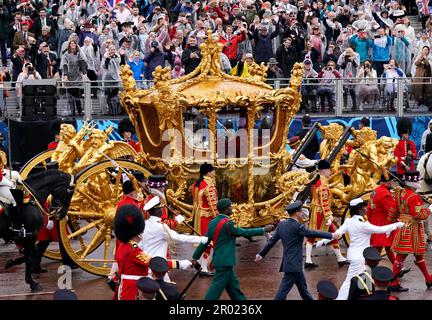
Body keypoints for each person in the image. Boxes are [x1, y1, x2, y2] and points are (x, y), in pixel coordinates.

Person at [316, 197, 404, 300]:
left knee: (365, 282)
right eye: (364, 207)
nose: (366, 208)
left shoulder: (349, 221)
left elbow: (337, 234)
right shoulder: (362, 224)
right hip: (361, 257)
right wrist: (397, 225)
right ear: (359, 210)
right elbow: (379, 230)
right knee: (351, 281)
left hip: (356, 255)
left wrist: (323, 241)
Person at [255, 200, 338, 300]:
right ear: (297, 213)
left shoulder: (282, 225)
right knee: (282, 292)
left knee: (303, 290)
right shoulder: (299, 227)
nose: (302, 213)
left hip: (290, 263)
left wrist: (261, 254)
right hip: (294, 264)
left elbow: (271, 241)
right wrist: (331, 235)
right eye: (300, 211)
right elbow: (313, 233)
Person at [193, 198, 273, 300]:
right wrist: (263, 229)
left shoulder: (212, 223)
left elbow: (204, 242)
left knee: (234, 289)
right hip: (225, 262)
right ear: (226, 209)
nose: (232, 209)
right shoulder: (228, 224)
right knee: (214, 292)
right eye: (230, 207)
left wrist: (195, 257)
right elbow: (245, 232)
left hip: (220, 260)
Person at [113, 204, 191, 300]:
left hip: (126, 286)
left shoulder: (123, 246)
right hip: (133, 289)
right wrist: (180, 264)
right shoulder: (133, 250)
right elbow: (155, 264)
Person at [139, 195, 207, 281]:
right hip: (158, 266)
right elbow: (178, 237)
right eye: (161, 209)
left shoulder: (144, 224)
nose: (162, 211)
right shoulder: (161, 227)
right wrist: (201, 239)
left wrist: (176, 221)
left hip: (146, 264)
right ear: (157, 210)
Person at [389, 179, 432, 291]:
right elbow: (419, 214)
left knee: (419, 255)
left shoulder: (400, 193)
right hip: (412, 228)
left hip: (403, 226)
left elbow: (393, 211)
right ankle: (393, 283)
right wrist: (429, 210)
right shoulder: (413, 196)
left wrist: (394, 221)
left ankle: (428, 279)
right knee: (401, 256)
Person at [305, 159, 347, 268]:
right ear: (325, 170)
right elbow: (323, 201)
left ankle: (339, 258)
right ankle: (309, 260)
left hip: (316, 209)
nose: (330, 172)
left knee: (331, 233)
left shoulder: (317, 179)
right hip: (321, 212)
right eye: (329, 170)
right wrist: (328, 215)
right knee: (314, 235)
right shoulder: (323, 182)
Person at [190, 162, 219, 275]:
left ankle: (202, 264)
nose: (214, 172)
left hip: (198, 215)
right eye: (213, 170)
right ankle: (204, 267)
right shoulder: (209, 185)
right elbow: (213, 205)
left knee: (203, 241)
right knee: (208, 241)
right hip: (207, 217)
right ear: (208, 172)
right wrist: (218, 218)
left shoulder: (197, 184)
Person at [366, 174, 398, 266]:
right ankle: (369, 268)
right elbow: (391, 210)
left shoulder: (375, 191)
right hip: (383, 222)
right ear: (388, 182)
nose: (393, 183)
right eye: (392, 181)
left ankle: (398, 267)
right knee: (379, 247)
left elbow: (369, 209)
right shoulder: (385, 194)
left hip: (375, 221)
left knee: (386, 247)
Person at [60, 40, 87, 116]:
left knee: (77, 94)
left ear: (76, 45)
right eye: (71, 43)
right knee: (70, 95)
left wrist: (84, 74)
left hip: (77, 76)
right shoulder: (66, 54)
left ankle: (79, 111)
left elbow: (82, 64)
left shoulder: (79, 54)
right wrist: (65, 75)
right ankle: (72, 111)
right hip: (69, 76)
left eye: (74, 43)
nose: (72, 45)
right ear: (69, 45)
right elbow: (64, 65)